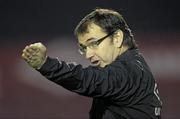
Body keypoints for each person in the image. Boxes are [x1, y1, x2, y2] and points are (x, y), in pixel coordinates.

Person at [22, 8, 162, 119]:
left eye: (94, 43)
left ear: (117, 38)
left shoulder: (130, 71)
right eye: (83, 48)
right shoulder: (134, 67)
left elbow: (89, 80)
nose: (88, 55)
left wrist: (46, 64)